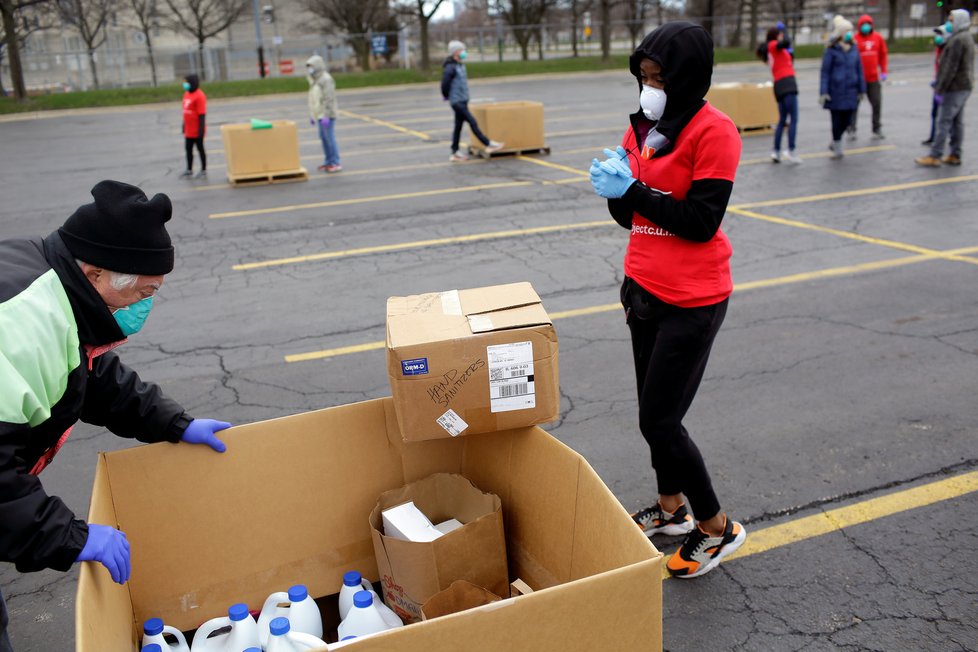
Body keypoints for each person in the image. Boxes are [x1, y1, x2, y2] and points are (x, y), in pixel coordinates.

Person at [0, 180, 232, 649]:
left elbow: (90, 374)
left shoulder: (57, 287)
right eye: (143, 292)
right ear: (94, 274)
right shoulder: (22, 326)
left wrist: (173, 422)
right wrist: (70, 536)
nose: (145, 306)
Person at [588, 21, 746, 579]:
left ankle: (715, 527)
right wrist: (617, 188)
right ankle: (672, 507)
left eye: (659, 78)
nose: (648, 88)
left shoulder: (713, 131)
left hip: (693, 298)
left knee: (661, 421)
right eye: (643, 77)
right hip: (644, 289)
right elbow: (632, 216)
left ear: (688, 78)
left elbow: (701, 222)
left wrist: (633, 190)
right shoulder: (644, 129)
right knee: (650, 416)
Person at [916, 9, 973, 167]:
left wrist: (940, 89)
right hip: (963, 86)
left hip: (954, 88)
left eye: (951, 20)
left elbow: (950, 68)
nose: (949, 23)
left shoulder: (957, 40)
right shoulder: (965, 37)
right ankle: (955, 154)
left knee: (944, 121)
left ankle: (935, 155)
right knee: (957, 122)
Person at [441, 40, 504, 162]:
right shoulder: (451, 67)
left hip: (463, 100)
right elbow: (445, 83)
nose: (463, 52)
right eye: (461, 50)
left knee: (458, 126)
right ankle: (488, 143)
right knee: (472, 121)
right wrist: (446, 95)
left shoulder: (460, 65)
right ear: (455, 53)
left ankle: (455, 152)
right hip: (457, 101)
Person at [819, 15, 866, 160]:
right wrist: (824, 91)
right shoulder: (831, 50)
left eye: (850, 31)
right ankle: (838, 147)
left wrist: (862, 89)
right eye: (847, 31)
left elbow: (859, 69)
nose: (850, 34)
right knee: (836, 121)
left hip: (851, 91)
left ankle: (836, 140)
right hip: (836, 91)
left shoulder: (854, 49)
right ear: (840, 33)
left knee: (848, 120)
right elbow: (825, 72)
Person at [761, 25, 803, 164]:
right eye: (779, 34)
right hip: (787, 83)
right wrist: (785, 34)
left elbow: (788, 57)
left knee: (782, 119)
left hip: (779, 84)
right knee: (793, 119)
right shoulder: (773, 45)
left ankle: (776, 151)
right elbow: (785, 43)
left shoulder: (773, 51)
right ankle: (791, 150)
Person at [851, 14, 889, 140]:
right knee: (854, 105)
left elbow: (883, 55)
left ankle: (876, 127)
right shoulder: (855, 39)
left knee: (877, 103)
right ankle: (851, 128)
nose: (866, 27)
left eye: (868, 24)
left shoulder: (878, 38)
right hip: (858, 79)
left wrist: (883, 71)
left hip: (873, 78)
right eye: (863, 24)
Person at [306, 55, 341, 173]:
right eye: (308, 67)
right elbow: (313, 99)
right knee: (323, 138)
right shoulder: (314, 79)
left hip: (327, 115)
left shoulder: (326, 79)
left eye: (311, 66)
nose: (310, 69)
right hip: (320, 115)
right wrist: (312, 115)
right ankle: (328, 161)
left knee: (329, 138)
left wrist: (326, 115)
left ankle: (335, 162)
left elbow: (328, 98)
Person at [923, 24, 950, 146]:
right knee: (935, 113)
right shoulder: (939, 50)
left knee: (946, 116)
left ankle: (946, 139)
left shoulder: (949, 50)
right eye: (937, 34)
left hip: (946, 88)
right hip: (938, 86)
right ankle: (933, 137)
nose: (937, 37)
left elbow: (949, 70)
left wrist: (941, 86)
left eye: (940, 34)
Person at [180, 74, 207, 179]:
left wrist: (201, 131)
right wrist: (183, 125)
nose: (185, 84)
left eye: (187, 82)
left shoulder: (200, 96)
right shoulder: (186, 94)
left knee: (200, 149)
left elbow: (202, 115)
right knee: (188, 149)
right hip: (188, 130)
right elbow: (185, 112)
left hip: (197, 130)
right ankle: (189, 169)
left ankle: (203, 169)